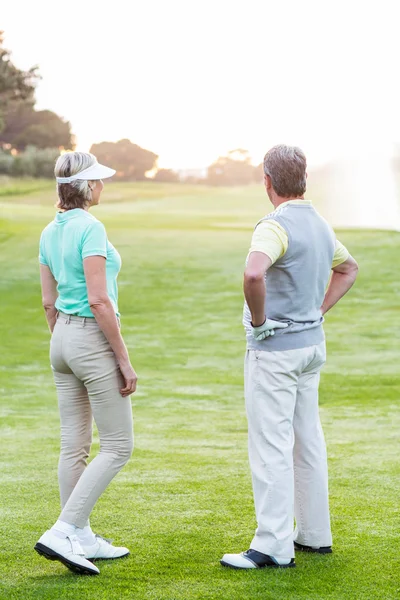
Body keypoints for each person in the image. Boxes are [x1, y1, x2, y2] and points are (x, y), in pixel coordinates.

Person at [221, 145, 358, 569]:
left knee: (271, 446)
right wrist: (317, 312)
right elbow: (349, 268)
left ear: (267, 181)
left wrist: (259, 322)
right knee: (307, 440)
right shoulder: (319, 223)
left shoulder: (273, 226)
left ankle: (272, 546)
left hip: (275, 353)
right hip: (310, 349)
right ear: (302, 178)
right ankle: (314, 535)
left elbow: (252, 272)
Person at [35, 152, 137, 576]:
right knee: (118, 446)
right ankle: (63, 531)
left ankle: (82, 538)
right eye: (99, 181)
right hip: (90, 340)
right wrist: (122, 358)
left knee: (73, 446)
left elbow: (47, 299)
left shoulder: (48, 230)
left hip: (61, 337)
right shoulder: (91, 227)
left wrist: (65, 339)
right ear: (87, 187)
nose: (103, 186)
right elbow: (99, 299)